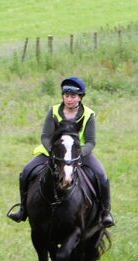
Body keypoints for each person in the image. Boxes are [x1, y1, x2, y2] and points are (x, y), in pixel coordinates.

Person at [8, 76, 115, 227]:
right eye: (66, 96)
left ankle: (105, 212)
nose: (69, 99)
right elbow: (45, 136)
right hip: (54, 153)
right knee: (25, 172)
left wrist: (78, 154)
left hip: (80, 153)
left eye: (73, 96)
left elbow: (91, 141)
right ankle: (23, 209)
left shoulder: (88, 115)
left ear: (80, 97)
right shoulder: (53, 111)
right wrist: (53, 152)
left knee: (102, 176)